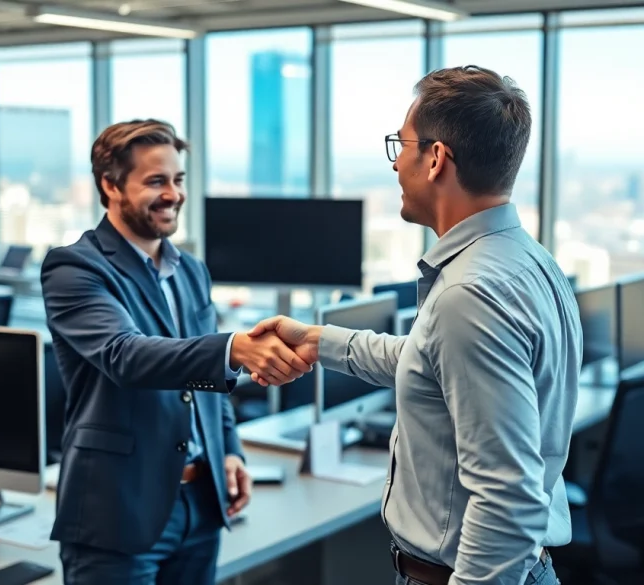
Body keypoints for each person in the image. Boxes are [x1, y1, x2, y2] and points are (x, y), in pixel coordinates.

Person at [248, 66, 583, 585]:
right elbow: (431, 363)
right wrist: (319, 341)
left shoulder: (468, 294)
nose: (396, 163)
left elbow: (504, 499)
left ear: (435, 158)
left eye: (399, 146)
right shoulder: (526, 261)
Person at [41, 119, 311, 584]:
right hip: (119, 514)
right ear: (110, 185)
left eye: (178, 180)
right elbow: (125, 355)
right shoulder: (75, 267)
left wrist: (230, 451)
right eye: (156, 181)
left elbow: (208, 387)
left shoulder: (190, 271)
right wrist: (235, 348)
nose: (173, 193)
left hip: (201, 506)